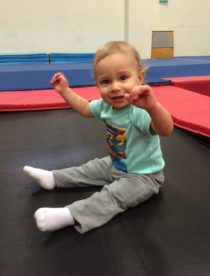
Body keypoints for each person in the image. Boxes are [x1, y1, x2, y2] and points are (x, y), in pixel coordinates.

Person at [23, 41, 173, 234]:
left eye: (123, 77)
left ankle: (70, 214)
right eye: (105, 82)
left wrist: (153, 107)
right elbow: (85, 108)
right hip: (116, 165)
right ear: (97, 85)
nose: (115, 87)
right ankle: (53, 178)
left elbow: (166, 129)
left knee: (112, 196)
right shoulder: (105, 106)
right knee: (89, 169)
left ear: (140, 78)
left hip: (143, 176)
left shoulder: (140, 111)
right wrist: (65, 91)